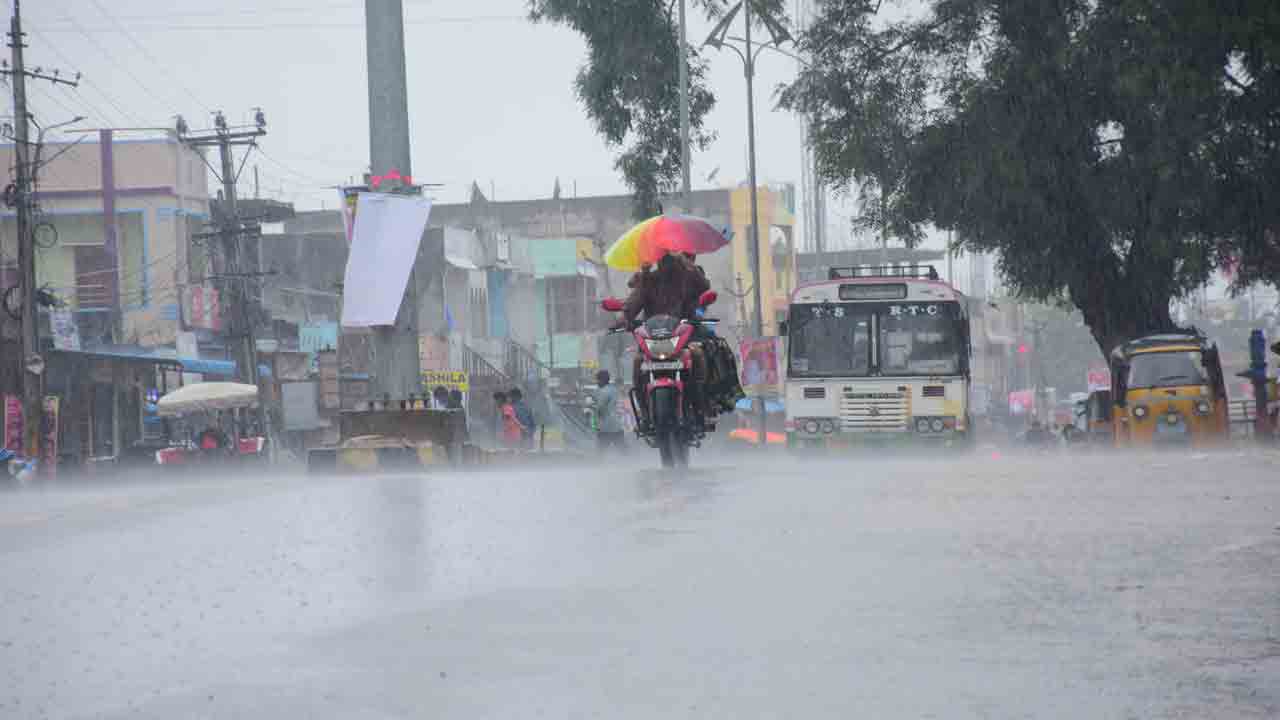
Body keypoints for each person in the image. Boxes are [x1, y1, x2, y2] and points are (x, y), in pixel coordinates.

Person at [615, 252, 712, 428]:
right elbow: (633, 303)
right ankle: (645, 412)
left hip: (681, 337)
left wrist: (689, 266)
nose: (667, 263)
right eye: (663, 258)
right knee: (638, 362)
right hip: (652, 340)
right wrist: (626, 317)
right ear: (657, 261)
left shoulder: (686, 278)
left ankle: (700, 407)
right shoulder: (648, 280)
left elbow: (704, 287)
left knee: (697, 354)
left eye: (671, 258)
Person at [593, 370, 626, 454]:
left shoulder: (604, 391)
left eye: (598, 380)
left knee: (600, 452)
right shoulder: (614, 389)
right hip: (617, 425)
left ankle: (598, 466)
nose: (597, 382)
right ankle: (632, 464)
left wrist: (597, 423)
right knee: (623, 450)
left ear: (603, 380)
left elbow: (600, 408)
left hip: (606, 427)